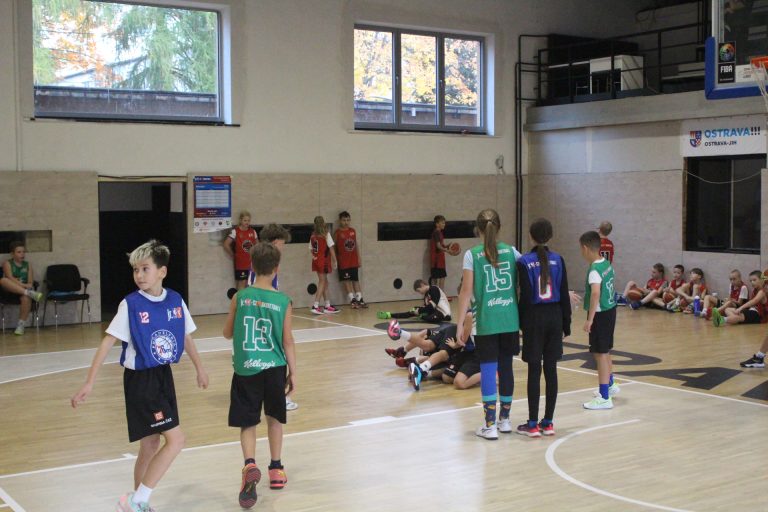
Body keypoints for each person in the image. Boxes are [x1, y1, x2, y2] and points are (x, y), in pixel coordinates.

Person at [70, 240, 209, 512]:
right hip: (141, 381)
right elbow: (108, 342)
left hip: (163, 376)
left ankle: (138, 503)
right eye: (135, 270)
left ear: (162, 272)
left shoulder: (175, 300)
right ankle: (137, 500)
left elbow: (186, 336)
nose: (139, 275)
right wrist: (89, 382)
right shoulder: (131, 304)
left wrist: (199, 368)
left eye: (145, 269)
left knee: (150, 444)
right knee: (176, 440)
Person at [223, 242, 297, 508]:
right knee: (274, 418)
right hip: (275, 368)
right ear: (277, 268)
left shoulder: (240, 297)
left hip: (246, 368)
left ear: (251, 267)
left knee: (248, 422)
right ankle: (276, 469)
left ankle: (249, 464)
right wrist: (293, 372)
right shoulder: (283, 301)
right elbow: (287, 340)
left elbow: (227, 333)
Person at [456, 209, 521, 440]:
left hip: (486, 321)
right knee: (506, 368)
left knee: (488, 369)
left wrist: (459, 323)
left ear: (478, 229)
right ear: (499, 227)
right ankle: (505, 420)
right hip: (510, 320)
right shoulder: (512, 252)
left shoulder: (472, 255)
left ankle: (490, 425)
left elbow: (465, 292)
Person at [515, 219, 571, 437]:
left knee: (534, 370)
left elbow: (525, 297)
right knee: (551, 370)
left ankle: (532, 424)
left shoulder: (524, 262)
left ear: (530, 236)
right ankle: (548, 422)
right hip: (555, 316)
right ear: (550, 236)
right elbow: (564, 293)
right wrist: (566, 323)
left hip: (534, 317)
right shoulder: (559, 259)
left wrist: (522, 323)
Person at [246, 223, 298, 411]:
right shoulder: (268, 267)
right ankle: (280, 397)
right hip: (266, 317)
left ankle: (265, 395)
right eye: (282, 244)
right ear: (275, 243)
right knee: (278, 355)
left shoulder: (258, 262)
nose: (283, 248)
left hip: (258, 317)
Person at [579, 230, 619, 410]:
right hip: (610, 310)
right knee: (603, 351)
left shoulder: (594, 270)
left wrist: (590, 319)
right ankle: (610, 385)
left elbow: (595, 293)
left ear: (585, 248)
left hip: (600, 314)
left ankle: (604, 397)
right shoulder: (606, 264)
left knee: (601, 354)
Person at [1, 241, 43, 335]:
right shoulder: (7, 263)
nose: (22, 254)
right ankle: (30, 293)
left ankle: (21, 326)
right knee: (3, 280)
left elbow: (30, 283)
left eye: (23, 252)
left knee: (26, 298)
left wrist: (24, 285)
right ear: (12, 254)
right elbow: (10, 278)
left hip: (23, 291)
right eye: (19, 252)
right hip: (10, 291)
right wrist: (23, 285)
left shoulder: (28, 264)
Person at [377, 279, 451, 323]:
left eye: (419, 290)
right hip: (435, 311)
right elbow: (427, 308)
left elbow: (432, 306)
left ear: (422, 285)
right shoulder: (426, 296)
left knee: (429, 317)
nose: (420, 293)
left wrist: (419, 311)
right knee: (414, 310)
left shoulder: (434, 289)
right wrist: (416, 311)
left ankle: (422, 316)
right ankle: (389, 315)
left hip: (443, 313)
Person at [334, 211, 367, 308]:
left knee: (355, 280)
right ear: (340, 221)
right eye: (344, 220)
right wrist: (334, 259)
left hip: (353, 260)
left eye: (348, 220)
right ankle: (352, 300)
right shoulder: (337, 233)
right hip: (343, 261)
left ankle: (360, 299)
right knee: (347, 280)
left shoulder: (353, 231)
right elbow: (333, 247)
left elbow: (355, 245)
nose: (346, 222)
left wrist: (359, 258)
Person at [309, 216, 339, 315]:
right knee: (322, 282)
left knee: (325, 282)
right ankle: (315, 305)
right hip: (323, 261)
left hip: (316, 261)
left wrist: (314, 256)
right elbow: (331, 248)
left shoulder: (313, 235)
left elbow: (310, 249)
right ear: (323, 223)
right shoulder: (326, 234)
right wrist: (335, 260)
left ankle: (327, 305)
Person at [224, 211, 258, 290]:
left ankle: (248, 298)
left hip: (251, 263)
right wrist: (233, 255)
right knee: (242, 282)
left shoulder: (253, 232)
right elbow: (226, 244)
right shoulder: (235, 232)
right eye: (245, 220)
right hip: (241, 263)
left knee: (250, 283)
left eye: (248, 220)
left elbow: (258, 246)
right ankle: (240, 298)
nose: (247, 222)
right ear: (240, 220)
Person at [429, 215, 450, 289]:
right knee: (439, 277)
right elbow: (438, 246)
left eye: (444, 223)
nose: (444, 224)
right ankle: (440, 294)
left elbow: (441, 245)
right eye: (443, 223)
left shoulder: (439, 233)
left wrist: (448, 246)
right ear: (437, 224)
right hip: (437, 260)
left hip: (439, 260)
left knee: (439, 277)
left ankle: (437, 294)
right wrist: (447, 250)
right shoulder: (436, 233)